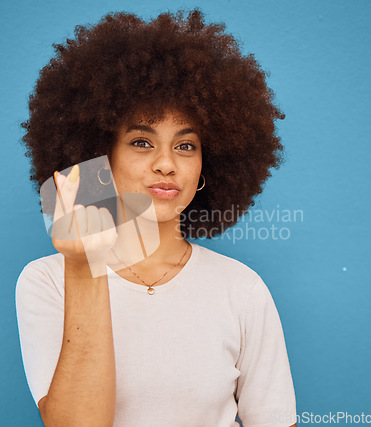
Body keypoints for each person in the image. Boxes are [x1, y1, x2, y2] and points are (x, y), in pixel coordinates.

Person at [16, 8, 297, 427]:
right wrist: (84, 264)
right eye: (142, 141)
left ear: (207, 165)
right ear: (100, 158)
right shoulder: (46, 282)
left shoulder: (242, 289)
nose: (167, 164)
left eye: (185, 146)